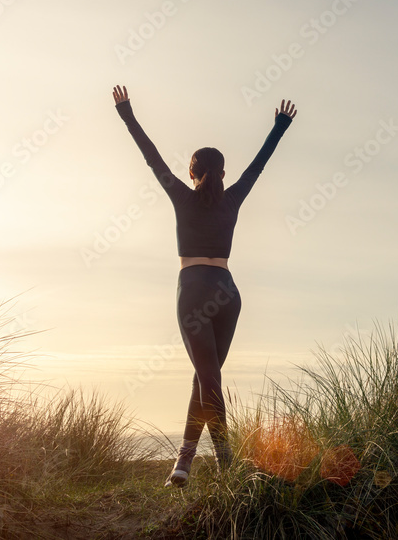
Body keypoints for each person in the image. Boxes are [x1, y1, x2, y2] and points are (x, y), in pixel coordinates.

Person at [111, 84, 297, 487]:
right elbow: (258, 167)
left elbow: (151, 157)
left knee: (208, 377)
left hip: (194, 288)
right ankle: (184, 462)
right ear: (223, 174)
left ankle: (223, 462)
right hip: (228, 292)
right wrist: (279, 127)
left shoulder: (181, 195)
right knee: (205, 376)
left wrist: (126, 113)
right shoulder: (232, 198)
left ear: (191, 173)